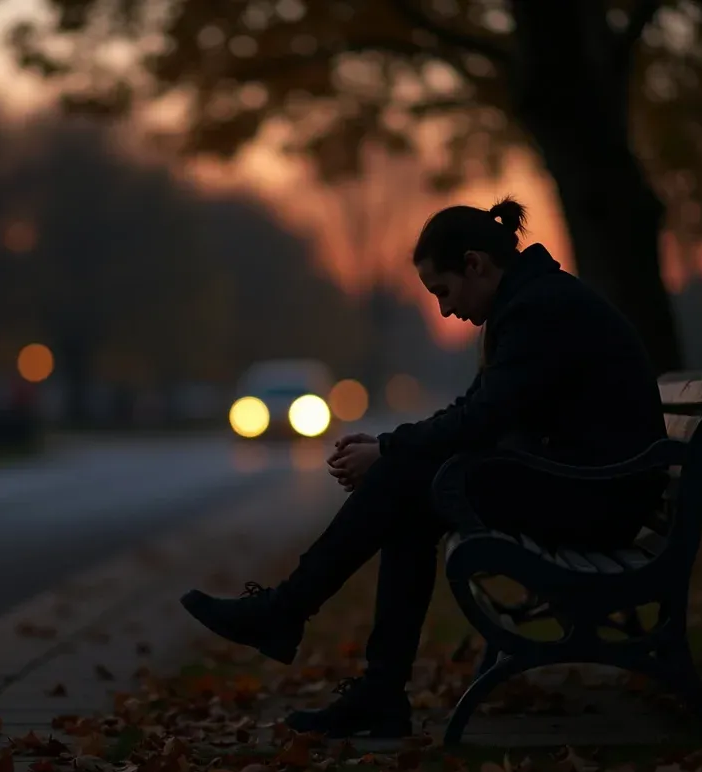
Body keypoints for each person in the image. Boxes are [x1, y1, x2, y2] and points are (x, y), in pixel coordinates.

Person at [180, 198, 668, 738]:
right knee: (409, 492)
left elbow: (481, 420)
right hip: (586, 487)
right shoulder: (529, 303)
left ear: (476, 265)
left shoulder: (538, 310)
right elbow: (472, 411)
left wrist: (389, 453)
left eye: (444, 291)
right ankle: (369, 683)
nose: (444, 311)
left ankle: (294, 619)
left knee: (406, 481)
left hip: (598, 500)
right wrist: (392, 448)